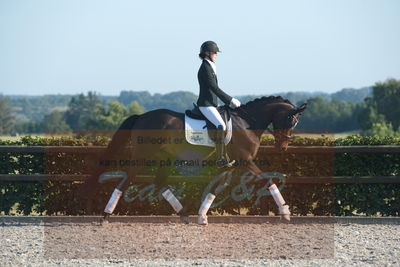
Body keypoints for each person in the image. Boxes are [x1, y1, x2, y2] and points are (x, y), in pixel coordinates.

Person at [196, 40, 241, 167]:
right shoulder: (205, 68)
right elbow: (214, 88)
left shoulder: (210, 66)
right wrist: (230, 100)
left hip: (212, 104)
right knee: (220, 125)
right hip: (205, 104)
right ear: (207, 53)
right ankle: (220, 159)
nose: (216, 54)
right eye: (214, 52)